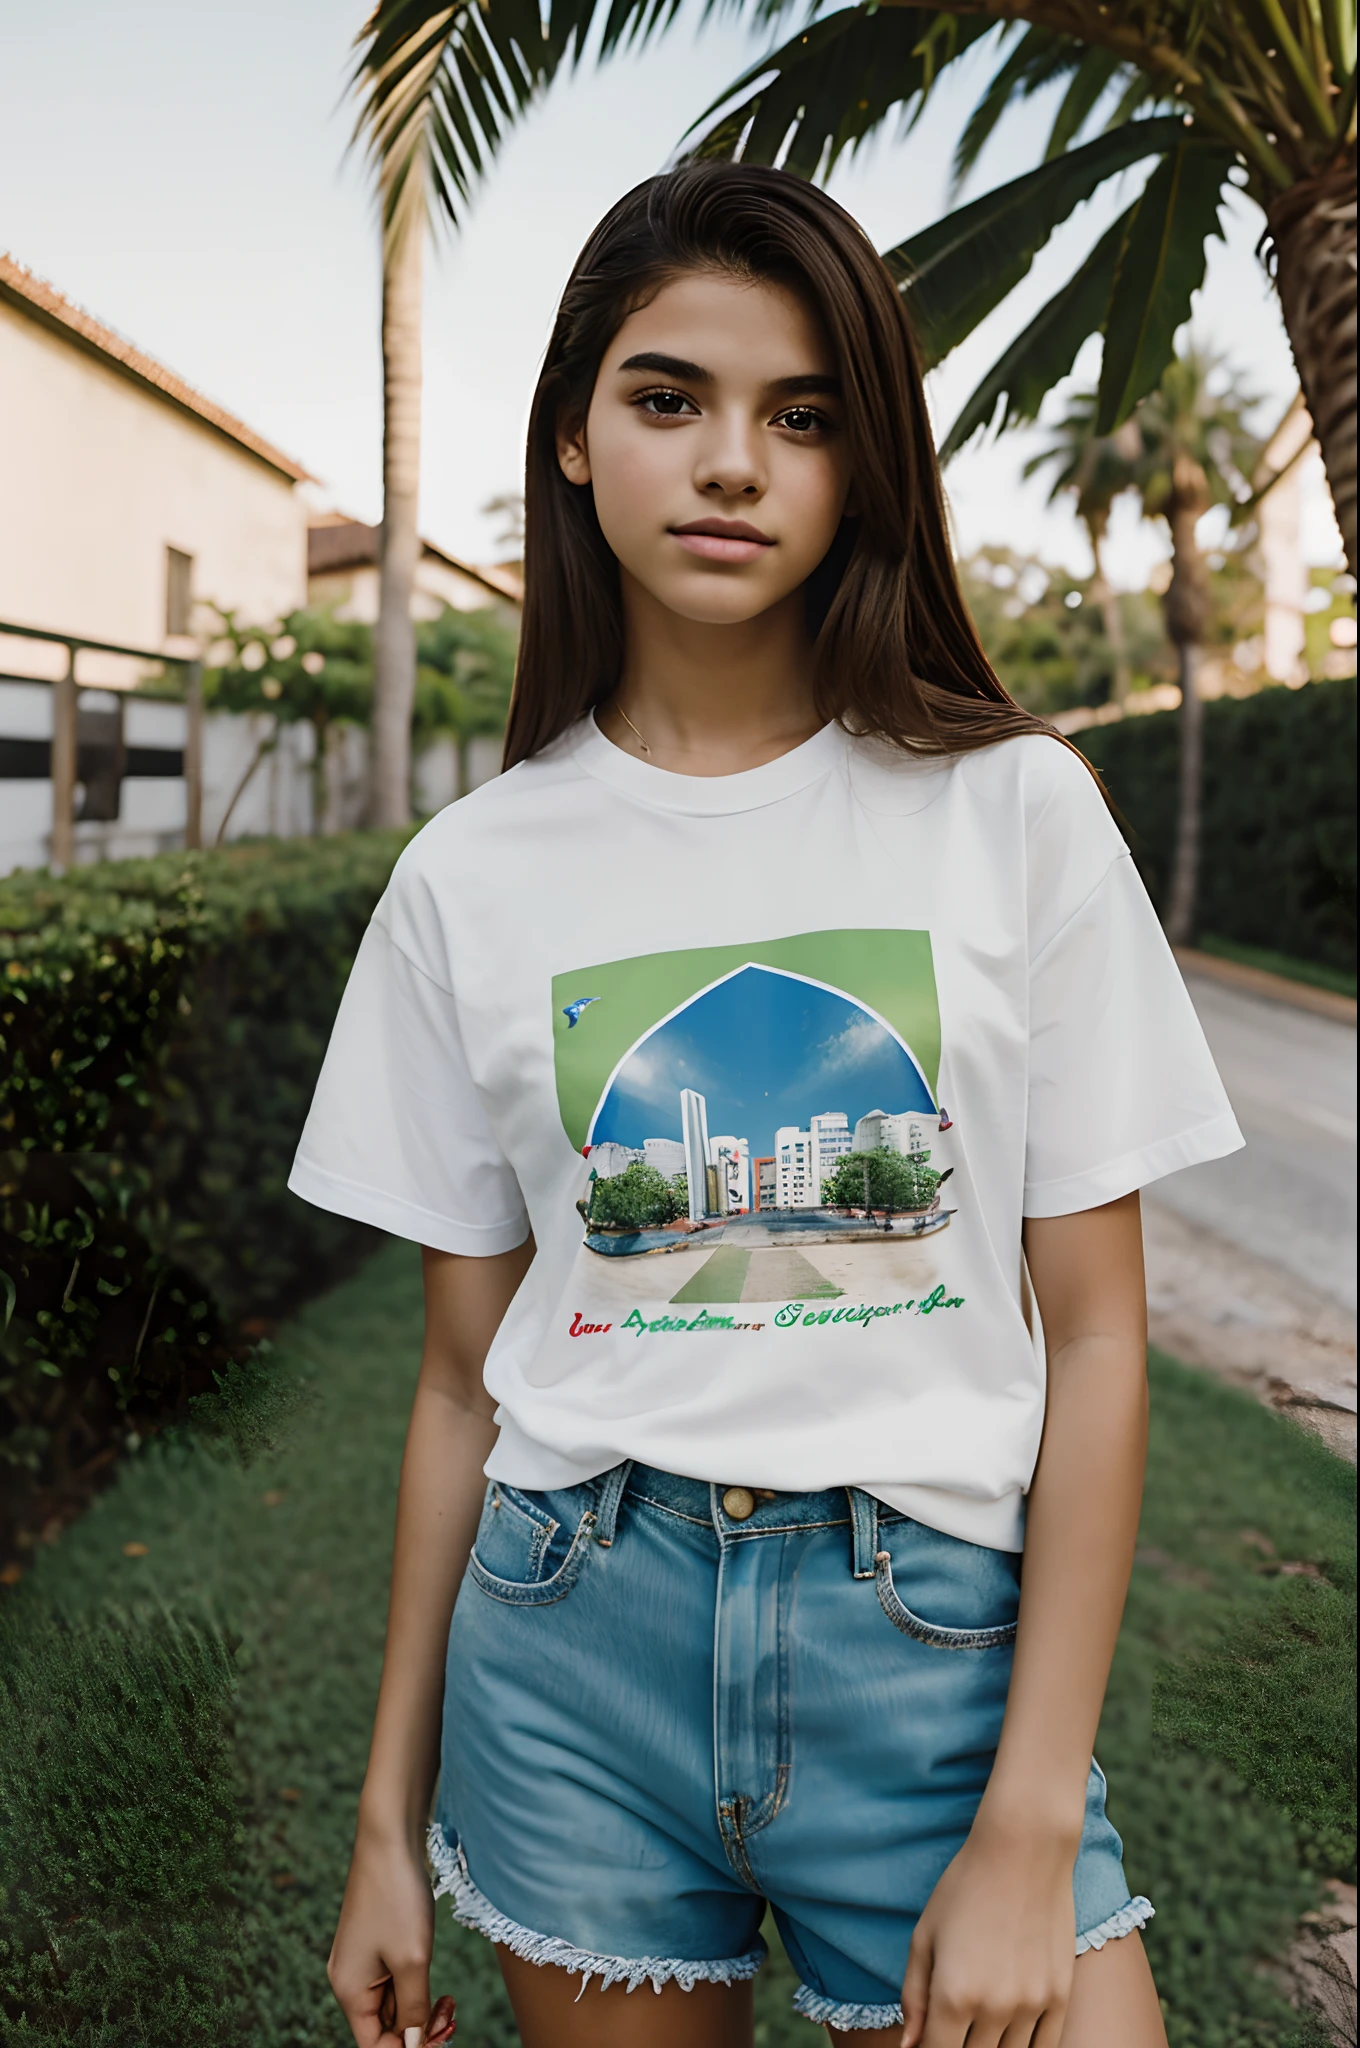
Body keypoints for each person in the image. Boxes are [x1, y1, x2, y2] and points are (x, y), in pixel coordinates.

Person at [291, 162, 1243, 2048]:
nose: (732, 462)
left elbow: (1106, 1337)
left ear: (863, 458)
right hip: (569, 1648)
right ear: (574, 437)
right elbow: (458, 1384)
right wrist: (385, 1823)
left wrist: (1032, 1815)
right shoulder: (470, 877)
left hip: (930, 1648)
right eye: (671, 399)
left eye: (801, 416)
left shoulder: (1017, 812)